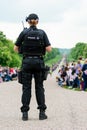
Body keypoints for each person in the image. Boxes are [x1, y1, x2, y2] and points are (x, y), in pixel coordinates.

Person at [14, 13, 52, 121]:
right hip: (39, 62)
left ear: (28, 21)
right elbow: (49, 49)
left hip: (26, 62)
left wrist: (23, 50)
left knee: (26, 88)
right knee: (39, 87)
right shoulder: (42, 33)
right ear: (37, 21)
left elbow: (15, 48)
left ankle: (25, 113)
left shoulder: (24, 33)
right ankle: (42, 113)